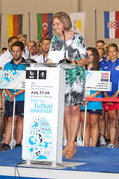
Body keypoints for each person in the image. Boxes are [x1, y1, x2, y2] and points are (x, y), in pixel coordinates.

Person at [49, 12, 88, 159]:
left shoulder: (77, 38)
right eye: (53, 24)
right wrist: (48, 61)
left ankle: (72, 143)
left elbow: (85, 59)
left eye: (57, 23)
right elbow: (52, 57)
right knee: (65, 110)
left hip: (76, 76)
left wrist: (74, 62)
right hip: (62, 77)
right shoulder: (54, 40)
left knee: (74, 108)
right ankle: (68, 142)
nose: (55, 26)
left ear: (64, 23)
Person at [1, 41, 26, 150]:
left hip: (21, 96)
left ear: (21, 52)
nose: (15, 54)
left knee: (20, 119)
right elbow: (4, 82)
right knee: (10, 119)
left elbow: (27, 82)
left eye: (17, 51)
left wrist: (17, 93)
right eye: (13, 51)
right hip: (10, 97)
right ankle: (6, 143)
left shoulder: (27, 65)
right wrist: (9, 94)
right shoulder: (7, 65)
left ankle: (18, 143)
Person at [80, 47, 102, 147]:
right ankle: (85, 146)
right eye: (87, 54)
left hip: (94, 100)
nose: (88, 56)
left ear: (95, 56)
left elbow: (102, 87)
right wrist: (83, 97)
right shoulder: (81, 70)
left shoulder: (99, 70)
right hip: (83, 100)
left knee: (94, 124)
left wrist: (92, 95)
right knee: (85, 124)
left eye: (91, 54)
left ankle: (93, 147)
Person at [101, 43, 119, 148]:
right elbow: (102, 80)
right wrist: (106, 95)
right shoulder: (104, 64)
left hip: (118, 95)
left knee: (117, 119)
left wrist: (116, 94)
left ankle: (116, 140)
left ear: (117, 52)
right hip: (108, 95)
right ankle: (112, 142)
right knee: (112, 119)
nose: (112, 53)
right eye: (110, 51)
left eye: (114, 51)